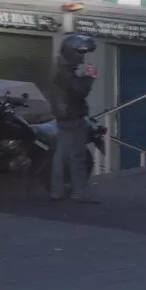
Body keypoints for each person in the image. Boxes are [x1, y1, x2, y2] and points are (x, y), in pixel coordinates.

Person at [48, 33, 99, 204]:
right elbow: (79, 91)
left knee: (61, 156)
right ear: (72, 52)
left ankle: (57, 191)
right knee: (77, 156)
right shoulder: (65, 71)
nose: (83, 57)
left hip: (62, 116)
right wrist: (90, 77)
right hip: (72, 116)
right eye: (80, 53)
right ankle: (79, 193)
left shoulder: (59, 66)